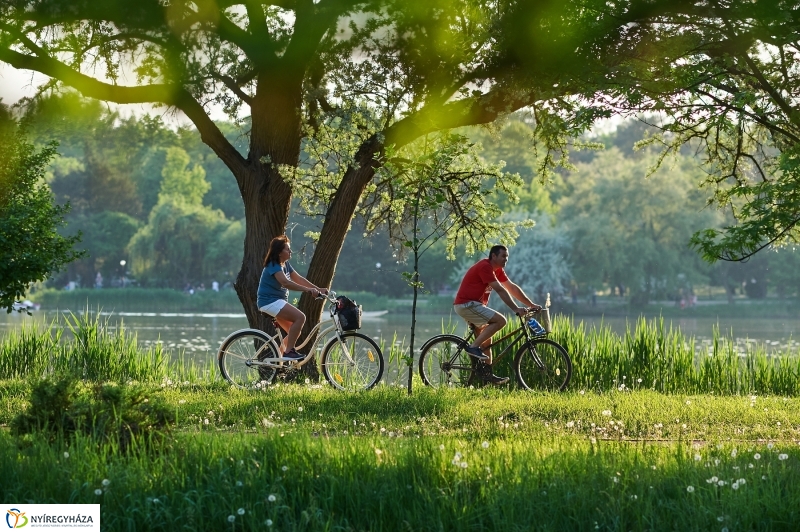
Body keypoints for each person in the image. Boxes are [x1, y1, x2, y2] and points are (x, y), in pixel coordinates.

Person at [453, 245, 541, 385]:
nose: (506, 259)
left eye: (507, 256)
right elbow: (500, 290)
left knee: (487, 341)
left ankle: (487, 375)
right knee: (501, 321)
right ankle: (473, 347)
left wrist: (531, 305)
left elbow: (511, 287)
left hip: (474, 306)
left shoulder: (497, 270)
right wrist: (516, 308)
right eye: (503, 256)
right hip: (467, 304)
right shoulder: (485, 267)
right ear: (493, 256)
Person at [257, 235, 329, 361]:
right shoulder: (273, 265)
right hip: (269, 301)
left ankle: (279, 359)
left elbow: (299, 279)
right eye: (287, 249)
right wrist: (308, 290)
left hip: (276, 302)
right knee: (300, 317)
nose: (291, 251)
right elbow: (286, 283)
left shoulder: (285, 265)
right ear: (279, 252)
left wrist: (318, 289)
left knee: (294, 331)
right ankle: (289, 352)